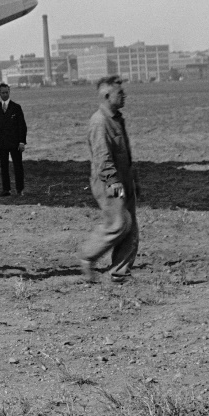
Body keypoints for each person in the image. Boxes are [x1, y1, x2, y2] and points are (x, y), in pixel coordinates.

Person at [79, 76, 139, 283]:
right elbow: (102, 157)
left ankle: (120, 273)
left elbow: (126, 154)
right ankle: (87, 256)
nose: (124, 96)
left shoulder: (116, 119)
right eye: (120, 93)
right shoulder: (100, 121)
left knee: (130, 226)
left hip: (124, 179)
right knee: (118, 223)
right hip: (108, 182)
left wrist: (133, 181)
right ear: (106, 96)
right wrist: (114, 185)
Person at [0, 83, 28, 196]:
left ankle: (20, 189)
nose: (5, 95)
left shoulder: (16, 108)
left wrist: (22, 142)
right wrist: (3, 132)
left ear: (9, 92)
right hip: (2, 143)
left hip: (15, 143)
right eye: (3, 93)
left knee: (18, 166)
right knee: (4, 167)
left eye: (7, 92)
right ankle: (6, 189)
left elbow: (22, 126)